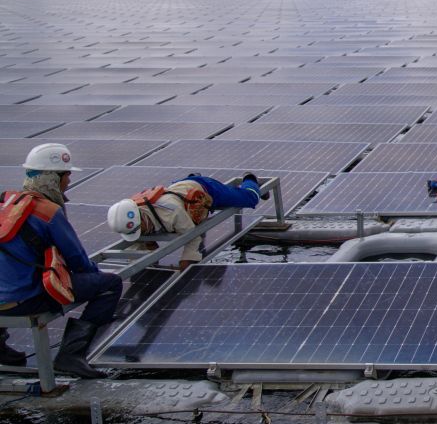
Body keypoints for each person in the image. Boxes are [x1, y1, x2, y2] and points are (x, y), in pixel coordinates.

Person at [0, 143, 123, 378]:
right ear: (52, 178)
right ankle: (71, 356)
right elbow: (78, 261)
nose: (68, 180)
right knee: (110, 285)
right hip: (25, 300)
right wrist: (94, 274)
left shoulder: (4, 203)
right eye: (66, 174)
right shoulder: (47, 211)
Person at [106, 173, 264, 270]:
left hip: (205, 188)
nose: (140, 233)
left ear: (141, 218)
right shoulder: (130, 216)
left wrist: (187, 259)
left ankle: (250, 180)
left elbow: (193, 236)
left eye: (141, 230)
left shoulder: (171, 212)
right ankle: (192, 176)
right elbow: (138, 247)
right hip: (179, 187)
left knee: (249, 198)